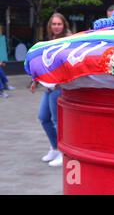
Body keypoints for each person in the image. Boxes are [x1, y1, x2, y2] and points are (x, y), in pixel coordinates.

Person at [30, 13, 71, 167]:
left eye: (59, 24)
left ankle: (62, 152)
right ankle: (54, 147)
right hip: (48, 87)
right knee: (43, 117)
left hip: (59, 87)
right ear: (50, 26)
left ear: (64, 24)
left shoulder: (69, 40)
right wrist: (34, 80)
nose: (56, 26)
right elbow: (42, 64)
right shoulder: (50, 41)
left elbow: (70, 64)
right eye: (54, 24)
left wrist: (61, 82)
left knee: (56, 121)